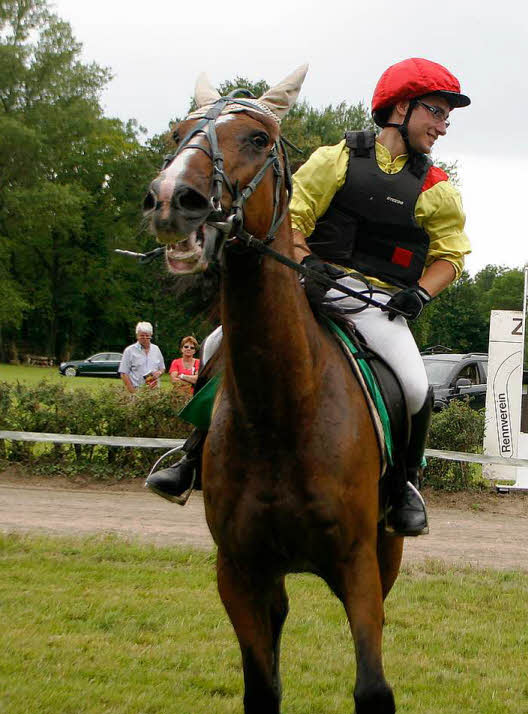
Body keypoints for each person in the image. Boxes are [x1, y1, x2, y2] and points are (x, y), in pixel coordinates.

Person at [146, 58, 471, 539]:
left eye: (447, 117)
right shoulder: (337, 158)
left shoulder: (437, 186)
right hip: (309, 286)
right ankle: (192, 456)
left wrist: (419, 294)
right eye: (437, 113)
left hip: (379, 305)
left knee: (416, 386)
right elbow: (295, 215)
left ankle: (404, 485)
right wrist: (306, 260)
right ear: (402, 107)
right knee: (218, 345)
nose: (443, 127)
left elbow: (451, 255)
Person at [118, 322, 165, 393]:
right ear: (137, 336)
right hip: (137, 390)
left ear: (151, 335)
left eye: (147, 336)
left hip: (154, 391)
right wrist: (132, 392)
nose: (145, 338)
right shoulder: (129, 351)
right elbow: (124, 374)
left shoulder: (156, 349)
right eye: (142, 336)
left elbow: (162, 368)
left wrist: (159, 373)